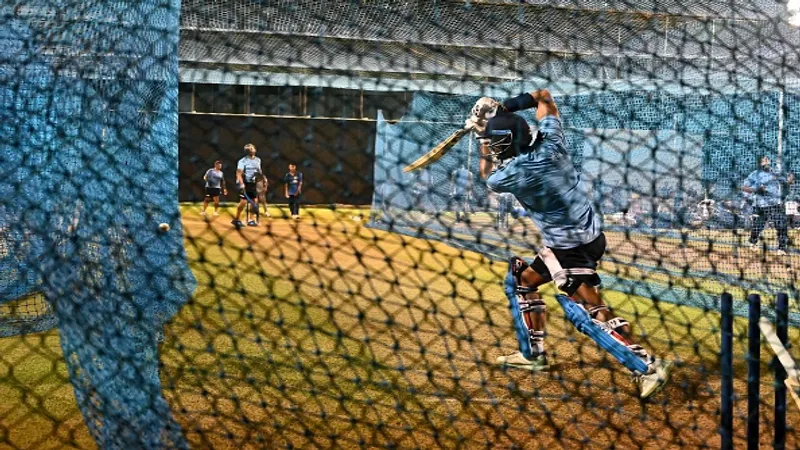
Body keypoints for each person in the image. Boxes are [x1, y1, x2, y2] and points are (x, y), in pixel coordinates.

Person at [466, 91, 672, 399]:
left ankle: (647, 367)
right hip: (589, 237)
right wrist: (506, 107)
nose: (495, 148)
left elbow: (486, 174)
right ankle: (532, 354)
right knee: (522, 281)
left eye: (498, 143)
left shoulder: (510, 175)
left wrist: (482, 136)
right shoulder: (552, 143)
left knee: (587, 311)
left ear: (506, 143)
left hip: (567, 249)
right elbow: (544, 98)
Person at [741, 155, 795, 254]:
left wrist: (790, 179)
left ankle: (782, 248)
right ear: (759, 164)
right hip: (761, 205)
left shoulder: (775, 172)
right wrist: (756, 190)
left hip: (775, 204)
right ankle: (752, 242)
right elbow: (744, 187)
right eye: (763, 161)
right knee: (758, 226)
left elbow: (786, 182)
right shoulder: (754, 174)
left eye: (767, 160)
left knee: (781, 224)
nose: (766, 162)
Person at [233, 143, 263, 227]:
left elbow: (259, 172)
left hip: (253, 183)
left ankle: (250, 219)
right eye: (249, 149)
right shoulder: (242, 161)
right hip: (244, 182)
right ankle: (236, 219)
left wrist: (260, 177)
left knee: (254, 201)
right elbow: (238, 173)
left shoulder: (258, 160)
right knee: (243, 201)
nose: (251, 150)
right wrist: (241, 184)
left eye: (252, 148)